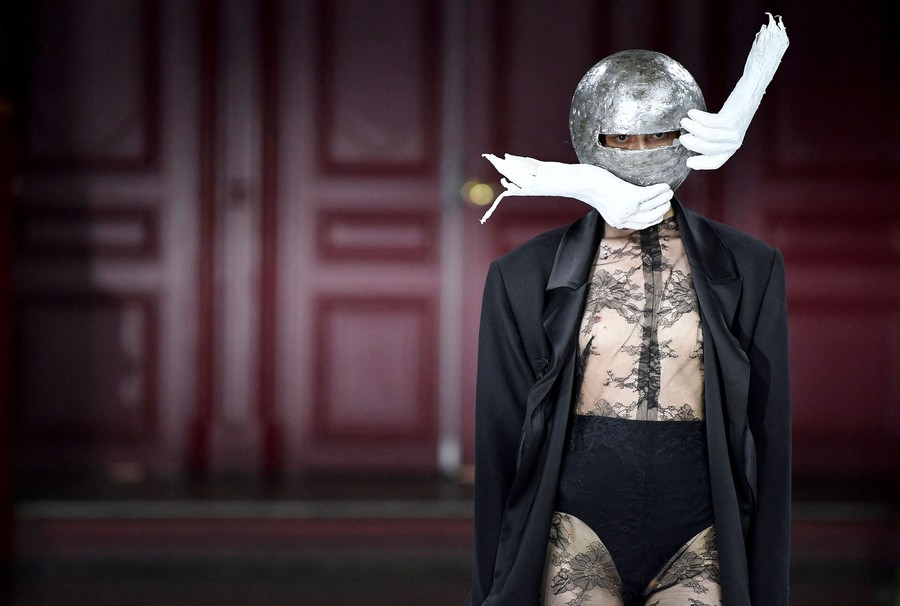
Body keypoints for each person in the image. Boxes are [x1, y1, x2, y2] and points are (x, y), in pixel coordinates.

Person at [468, 15, 790, 606]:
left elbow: (769, 437)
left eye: (658, 136)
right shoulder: (522, 277)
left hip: (701, 524)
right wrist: (491, 585)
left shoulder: (751, 268)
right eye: (621, 138)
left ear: (686, 138)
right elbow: (499, 442)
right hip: (575, 523)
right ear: (592, 139)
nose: (640, 153)